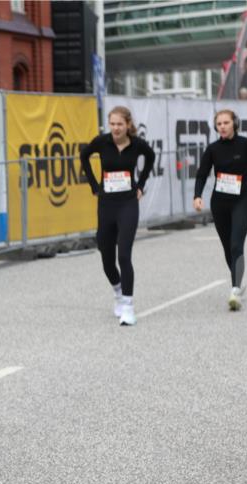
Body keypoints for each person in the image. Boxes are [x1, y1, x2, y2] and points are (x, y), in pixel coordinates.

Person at [79, 106, 156, 326]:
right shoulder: (102, 142)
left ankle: (129, 307)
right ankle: (118, 291)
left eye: (119, 124)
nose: (115, 128)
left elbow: (150, 158)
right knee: (106, 258)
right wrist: (94, 185)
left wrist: (141, 185)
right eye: (112, 124)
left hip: (128, 203)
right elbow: (84, 156)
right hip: (106, 204)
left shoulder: (137, 144)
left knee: (124, 254)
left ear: (128, 124)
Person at [193, 110, 247, 310]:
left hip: (241, 199)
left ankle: (235, 289)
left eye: (226, 122)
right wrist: (197, 196)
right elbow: (202, 174)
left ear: (234, 124)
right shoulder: (213, 149)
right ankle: (238, 280)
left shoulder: (245, 144)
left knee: (236, 244)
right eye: (219, 123)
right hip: (219, 202)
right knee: (227, 246)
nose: (222, 126)